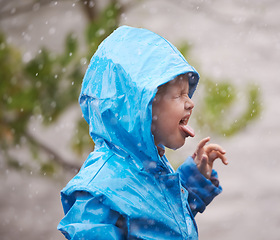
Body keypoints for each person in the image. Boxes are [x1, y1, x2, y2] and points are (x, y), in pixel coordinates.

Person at [57, 25, 228, 239]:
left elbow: (162, 221)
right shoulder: (99, 191)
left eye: (188, 94)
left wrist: (193, 182)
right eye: (179, 95)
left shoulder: (151, 166)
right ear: (143, 107)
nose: (190, 103)